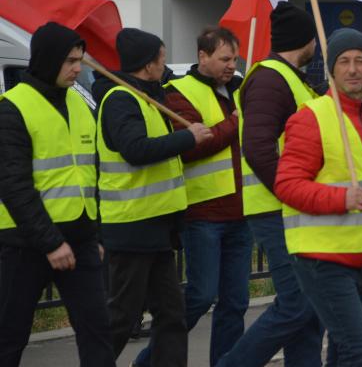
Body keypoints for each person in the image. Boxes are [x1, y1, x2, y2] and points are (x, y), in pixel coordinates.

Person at [275, 27, 362, 367]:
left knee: (343, 351)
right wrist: (341, 199)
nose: (353, 69)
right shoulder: (310, 118)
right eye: (344, 61)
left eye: (361, 61)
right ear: (331, 70)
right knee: (359, 350)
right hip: (322, 256)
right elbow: (287, 185)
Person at [131, 27, 252, 367]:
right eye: (224, 58)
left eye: (235, 58)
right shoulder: (177, 92)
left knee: (236, 302)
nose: (232, 65)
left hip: (242, 211)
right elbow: (194, 144)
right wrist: (235, 122)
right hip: (203, 213)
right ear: (203, 56)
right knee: (199, 295)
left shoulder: (241, 89)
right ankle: (149, 360)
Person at [94, 28, 213, 367]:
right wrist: (188, 138)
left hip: (157, 225)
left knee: (171, 314)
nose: (165, 65)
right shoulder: (120, 99)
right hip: (132, 225)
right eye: (162, 58)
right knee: (122, 315)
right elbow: (135, 150)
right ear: (148, 65)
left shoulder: (146, 94)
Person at [0, 22, 116, 367]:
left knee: (97, 331)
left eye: (79, 59)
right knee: (9, 336)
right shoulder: (12, 108)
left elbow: (90, 175)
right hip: (25, 242)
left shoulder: (80, 104)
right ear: (49, 60)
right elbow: (13, 185)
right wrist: (51, 243)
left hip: (78, 239)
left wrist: (92, 234)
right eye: (70, 61)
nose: (78, 68)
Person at [217, 1, 324, 367]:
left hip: (291, 207)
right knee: (298, 304)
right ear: (306, 39)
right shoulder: (269, 78)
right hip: (278, 208)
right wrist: (294, 191)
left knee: (311, 310)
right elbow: (259, 148)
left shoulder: (290, 78)